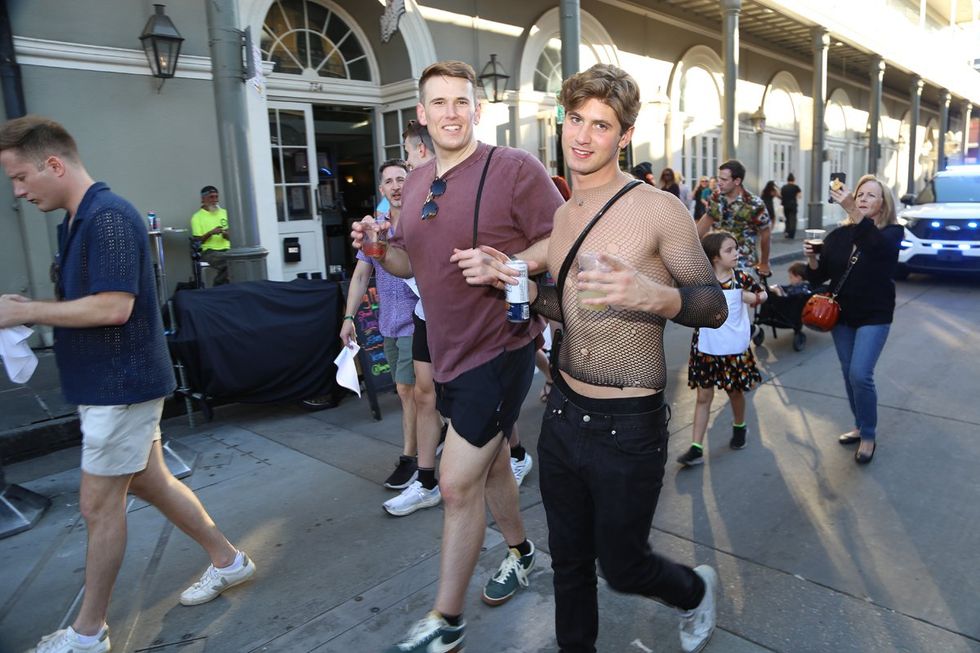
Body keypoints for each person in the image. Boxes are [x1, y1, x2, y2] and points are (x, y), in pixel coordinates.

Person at [0, 116, 255, 653]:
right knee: (150, 483)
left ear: (53, 164)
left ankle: (89, 633)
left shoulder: (110, 217)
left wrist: (25, 312)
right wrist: (31, 310)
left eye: (20, 177)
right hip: (106, 385)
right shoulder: (75, 221)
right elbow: (91, 303)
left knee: (97, 507)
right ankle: (230, 561)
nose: (18, 191)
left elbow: (115, 308)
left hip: (123, 386)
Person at [351, 61, 564, 653]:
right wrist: (376, 247)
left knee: (454, 483)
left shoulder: (513, 168)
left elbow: (565, 237)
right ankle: (521, 553)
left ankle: (446, 622)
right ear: (421, 114)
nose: (450, 112)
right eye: (438, 103)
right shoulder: (416, 183)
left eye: (461, 102)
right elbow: (407, 264)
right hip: (444, 351)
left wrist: (513, 265)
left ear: (477, 109)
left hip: (499, 348)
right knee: (491, 464)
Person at [524, 63, 727, 653]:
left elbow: (712, 305)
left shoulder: (659, 209)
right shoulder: (563, 217)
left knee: (623, 567)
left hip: (627, 429)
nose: (583, 136)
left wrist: (653, 296)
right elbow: (569, 314)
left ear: (625, 135)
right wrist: (508, 285)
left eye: (602, 125)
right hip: (561, 415)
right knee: (568, 565)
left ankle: (694, 592)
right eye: (575, 120)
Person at [341, 159, 426, 501]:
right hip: (388, 323)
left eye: (401, 179)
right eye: (388, 181)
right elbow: (362, 275)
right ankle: (440, 438)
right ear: (381, 189)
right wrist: (349, 318)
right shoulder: (375, 230)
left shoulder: (420, 225)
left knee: (410, 392)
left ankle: (412, 459)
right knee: (412, 392)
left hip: (418, 320)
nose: (395, 186)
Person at [806, 174, 902, 464]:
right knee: (849, 373)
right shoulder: (838, 234)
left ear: (883, 204)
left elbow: (876, 247)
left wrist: (852, 210)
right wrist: (811, 259)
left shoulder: (892, 233)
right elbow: (819, 276)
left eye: (871, 195)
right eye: (860, 194)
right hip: (842, 316)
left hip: (874, 315)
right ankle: (859, 425)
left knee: (861, 374)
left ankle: (869, 434)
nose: (862, 198)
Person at [383, 119, 448, 517]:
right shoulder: (412, 201)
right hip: (425, 311)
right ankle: (426, 481)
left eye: (407, 153)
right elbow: (407, 264)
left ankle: (516, 454)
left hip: (458, 313)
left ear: (421, 152)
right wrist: (378, 252)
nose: (406, 163)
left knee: (466, 403)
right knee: (424, 397)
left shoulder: (445, 191)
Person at [678, 231, 767, 466]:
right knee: (703, 396)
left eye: (735, 248)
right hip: (705, 347)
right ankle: (696, 447)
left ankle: (740, 426)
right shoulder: (701, 281)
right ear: (714, 257)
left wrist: (751, 298)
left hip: (733, 348)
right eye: (729, 250)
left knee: (734, 392)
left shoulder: (742, 278)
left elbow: (762, 294)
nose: (736, 253)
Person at [698, 159, 772, 277]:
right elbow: (707, 219)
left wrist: (764, 263)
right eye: (719, 179)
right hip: (717, 264)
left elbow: (766, 234)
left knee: (744, 296)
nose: (719, 183)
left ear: (737, 181)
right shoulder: (716, 197)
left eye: (724, 180)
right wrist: (690, 243)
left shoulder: (754, 204)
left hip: (743, 264)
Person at [190, 185, 231, 286]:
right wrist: (210, 233)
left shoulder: (225, 213)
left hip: (228, 249)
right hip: (209, 251)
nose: (215, 200)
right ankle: (219, 288)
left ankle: (225, 289)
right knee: (229, 262)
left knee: (239, 259)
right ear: (203, 199)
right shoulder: (197, 217)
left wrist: (226, 234)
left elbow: (233, 235)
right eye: (211, 197)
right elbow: (197, 241)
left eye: (216, 197)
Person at [780, 173, 802, 239]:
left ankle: (787, 232)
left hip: (785, 205)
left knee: (787, 219)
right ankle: (792, 234)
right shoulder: (796, 187)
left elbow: (781, 196)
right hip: (793, 205)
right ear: (794, 180)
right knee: (793, 220)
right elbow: (799, 196)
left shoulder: (783, 187)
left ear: (787, 180)